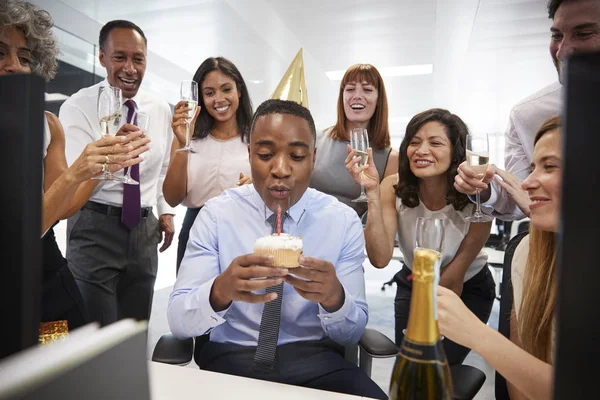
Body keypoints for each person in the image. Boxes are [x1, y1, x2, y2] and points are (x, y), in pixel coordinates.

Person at [167, 99, 387, 400]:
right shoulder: (217, 215)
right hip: (231, 360)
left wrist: (335, 298)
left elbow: (350, 333)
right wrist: (219, 291)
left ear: (313, 157)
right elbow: (179, 322)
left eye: (296, 156)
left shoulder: (341, 221)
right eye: (266, 154)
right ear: (249, 154)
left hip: (317, 362)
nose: (281, 170)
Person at [0, 1, 149, 329]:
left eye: (24, 57)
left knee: (63, 359)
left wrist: (98, 166)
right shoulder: (76, 106)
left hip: (46, 276)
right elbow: (14, 238)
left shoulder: (47, 125)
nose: (14, 65)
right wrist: (79, 170)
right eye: (1, 53)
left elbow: (61, 208)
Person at [347, 108, 496, 366]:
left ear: (456, 153)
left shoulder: (477, 197)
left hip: (468, 286)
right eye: (414, 142)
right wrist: (370, 190)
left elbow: (452, 281)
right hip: (414, 282)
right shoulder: (392, 187)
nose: (421, 150)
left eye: (435, 143)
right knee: (409, 368)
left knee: (436, 368)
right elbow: (380, 259)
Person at [59, 20, 176, 326]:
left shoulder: (160, 108)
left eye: (138, 59)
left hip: (144, 230)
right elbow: (73, 179)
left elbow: (162, 167)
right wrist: (111, 157)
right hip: (94, 226)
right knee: (95, 335)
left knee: (135, 331)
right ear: (101, 58)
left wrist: (165, 212)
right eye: (119, 57)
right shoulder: (78, 107)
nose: (130, 68)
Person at [438, 116, 561, 400]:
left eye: (549, 166)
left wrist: (476, 334)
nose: (527, 183)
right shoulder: (527, 253)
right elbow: (518, 387)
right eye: (532, 167)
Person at [454, 0, 600, 220]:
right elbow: (520, 195)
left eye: (584, 33)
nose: (562, 52)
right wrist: (484, 189)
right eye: (557, 36)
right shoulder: (528, 114)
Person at [163, 57, 253, 272]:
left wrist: (254, 188)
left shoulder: (256, 136)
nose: (219, 99)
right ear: (200, 98)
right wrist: (184, 143)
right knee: (192, 301)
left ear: (238, 90)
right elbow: (172, 198)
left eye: (226, 89)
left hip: (243, 228)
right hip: (196, 227)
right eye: (210, 92)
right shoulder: (187, 136)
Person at [310, 63, 399, 218]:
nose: (357, 95)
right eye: (350, 89)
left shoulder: (391, 158)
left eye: (367, 89)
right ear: (342, 97)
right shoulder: (315, 139)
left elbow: (383, 217)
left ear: (379, 99)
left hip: (353, 235)